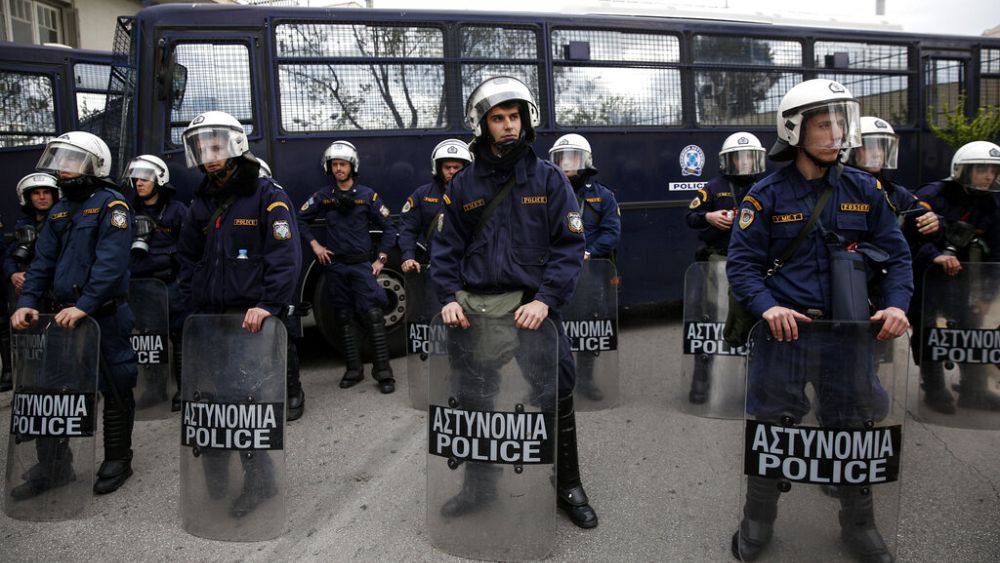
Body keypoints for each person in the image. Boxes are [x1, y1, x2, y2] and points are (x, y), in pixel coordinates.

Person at [727, 79, 912, 561]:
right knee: (772, 427)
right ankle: (757, 521)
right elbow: (743, 266)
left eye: (840, 122)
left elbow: (898, 257)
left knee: (853, 428)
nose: (836, 133)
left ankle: (859, 526)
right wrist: (767, 307)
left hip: (849, 335)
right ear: (794, 129)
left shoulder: (865, 189)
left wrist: (896, 304)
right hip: (785, 335)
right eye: (823, 123)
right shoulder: (764, 195)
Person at [431, 76, 598, 529]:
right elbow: (445, 249)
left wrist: (545, 300)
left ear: (526, 120)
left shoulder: (549, 180)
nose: (508, 125)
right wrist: (447, 298)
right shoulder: (463, 184)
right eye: (498, 118)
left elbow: (568, 246)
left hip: (532, 311)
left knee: (555, 392)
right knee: (474, 399)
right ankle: (478, 488)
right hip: (478, 310)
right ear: (483, 126)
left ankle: (567, 484)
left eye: (514, 116)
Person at [176, 110, 302, 517]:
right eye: (201, 148)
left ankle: (259, 479)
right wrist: (191, 301)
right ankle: (215, 477)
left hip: (250, 319)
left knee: (247, 401)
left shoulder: (267, 194)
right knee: (210, 398)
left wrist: (267, 305)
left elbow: (285, 258)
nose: (208, 155)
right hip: (209, 319)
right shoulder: (202, 199)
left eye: (215, 146)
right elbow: (188, 257)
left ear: (234, 146)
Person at [10, 131, 139, 496]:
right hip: (60, 318)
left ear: (94, 164)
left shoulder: (112, 206)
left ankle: (118, 457)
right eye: (60, 161)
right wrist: (27, 302)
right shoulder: (59, 209)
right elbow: (42, 262)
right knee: (52, 391)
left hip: (105, 316)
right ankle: (53, 466)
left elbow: (110, 265)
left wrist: (84, 306)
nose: (63, 169)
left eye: (72, 160)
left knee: (115, 385)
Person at [297, 140, 397, 394]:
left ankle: (383, 371)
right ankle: (354, 369)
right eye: (334, 165)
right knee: (343, 317)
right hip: (336, 268)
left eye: (343, 164)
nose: (338, 169)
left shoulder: (367, 196)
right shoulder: (323, 197)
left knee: (373, 316)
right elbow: (300, 220)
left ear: (352, 167)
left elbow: (390, 228)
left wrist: (381, 259)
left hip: (362, 266)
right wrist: (316, 246)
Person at [911, 140, 1000, 413]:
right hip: (928, 279)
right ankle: (935, 388)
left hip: (965, 283)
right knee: (928, 332)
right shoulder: (933, 194)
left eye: (993, 170)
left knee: (971, 330)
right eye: (981, 169)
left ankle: (974, 390)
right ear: (963, 169)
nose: (988, 175)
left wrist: (986, 296)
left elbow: (996, 252)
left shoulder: (991, 205)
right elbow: (907, 236)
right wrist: (933, 255)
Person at [684, 132, 765, 403]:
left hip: (754, 266)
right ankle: (701, 384)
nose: (743, 163)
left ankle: (754, 387)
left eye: (748, 158)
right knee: (708, 323)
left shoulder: (765, 187)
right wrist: (708, 215)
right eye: (737, 158)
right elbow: (690, 217)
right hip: (716, 265)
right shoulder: (713, 186)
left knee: (753, 324)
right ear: (727, 161)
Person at [548, 133, 620, 402]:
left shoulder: (603, 196)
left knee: (588, 326)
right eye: (561, 159)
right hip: (556, 274)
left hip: (590, 274)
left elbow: (612, 232)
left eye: (573, 159)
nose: (567, 165)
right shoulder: (546, 194)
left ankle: (586, 381)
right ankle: (548, 381)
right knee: (553, 327)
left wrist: (590, 252)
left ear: (586, 162)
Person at [124, 155, 189, 411]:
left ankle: (184, 390)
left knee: (179, 337)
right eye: (136, 178)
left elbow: (187, 250)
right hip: (142, 287)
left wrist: (163, 258)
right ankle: (154, 390)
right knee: (151, 341)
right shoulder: (127, 210)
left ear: (159, 179)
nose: (139, 183)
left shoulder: (177, 211)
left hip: (171, 286)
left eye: (145, 178)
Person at [1, 173, 60, 392]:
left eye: (46, 193)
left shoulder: (61, 221)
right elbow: (9, 256)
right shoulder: (22, 224)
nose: (42, 197)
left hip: (53, 291)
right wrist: (13, 275)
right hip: (27, 293)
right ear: (28, 197)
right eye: (36, 193)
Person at [399, 139, 472, 274]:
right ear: (438, 168)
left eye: (456, 167)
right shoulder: (422, 194)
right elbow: (408, 228)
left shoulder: (477, 194)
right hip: (437, 268)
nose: (451, 171)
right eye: (447, 167)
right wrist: (408, 256)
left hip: (470, 267)